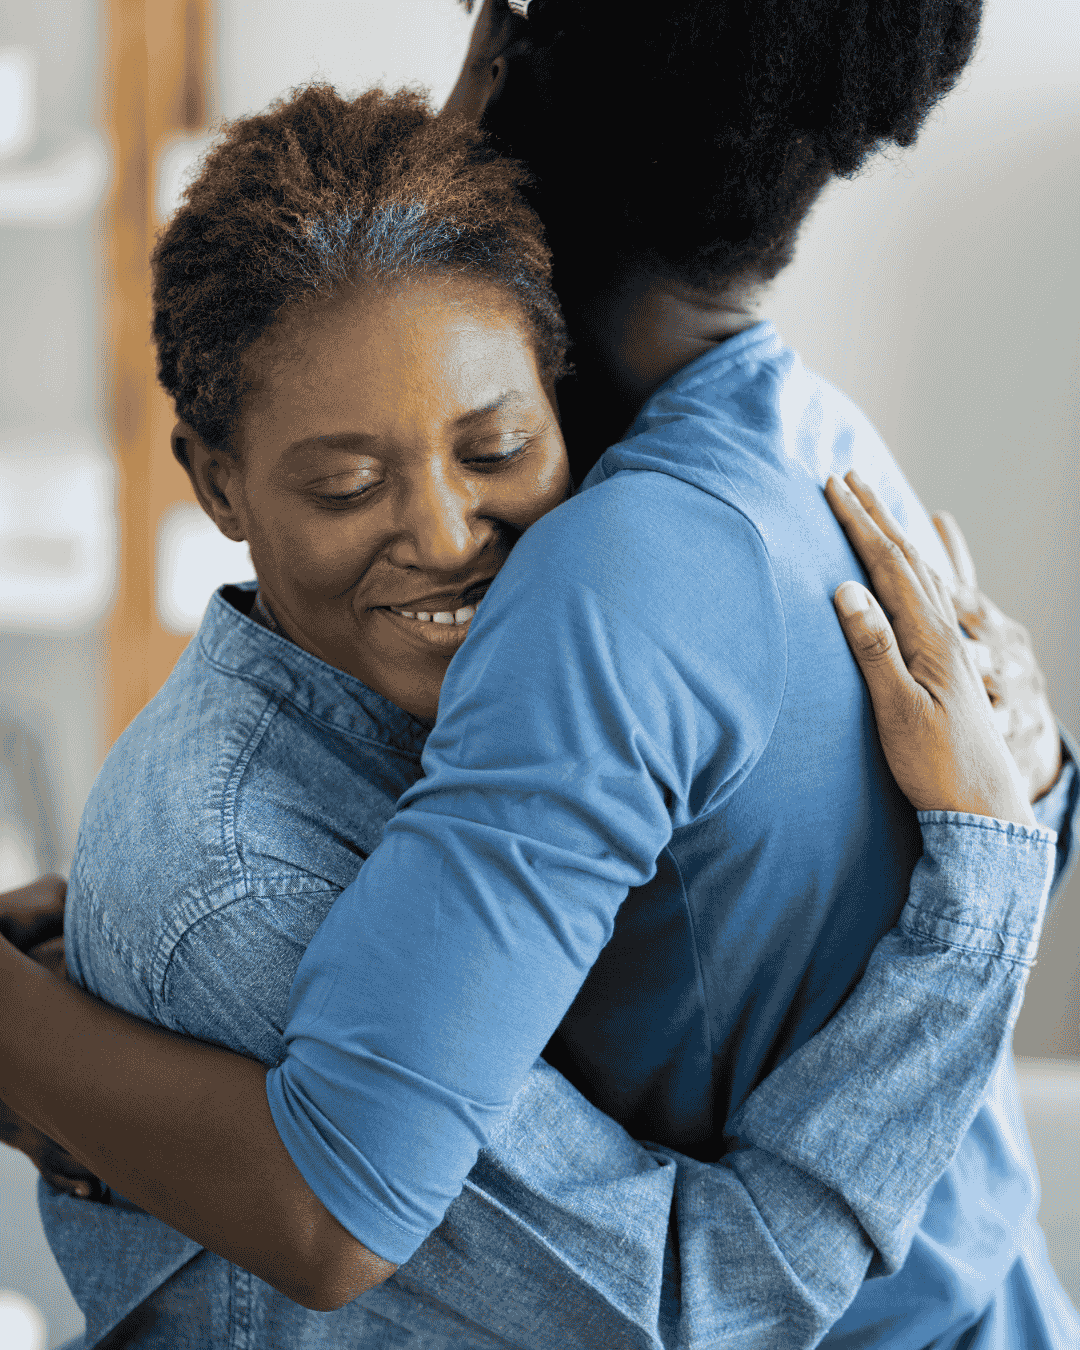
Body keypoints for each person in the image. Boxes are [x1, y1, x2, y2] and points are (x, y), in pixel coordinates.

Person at [2, 1, 1077, 1345]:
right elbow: (827, 883)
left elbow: (341, 1196)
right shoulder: (809, 434)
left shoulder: (606, 582)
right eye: (347, 480)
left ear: (513, 66)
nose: (447, 528)